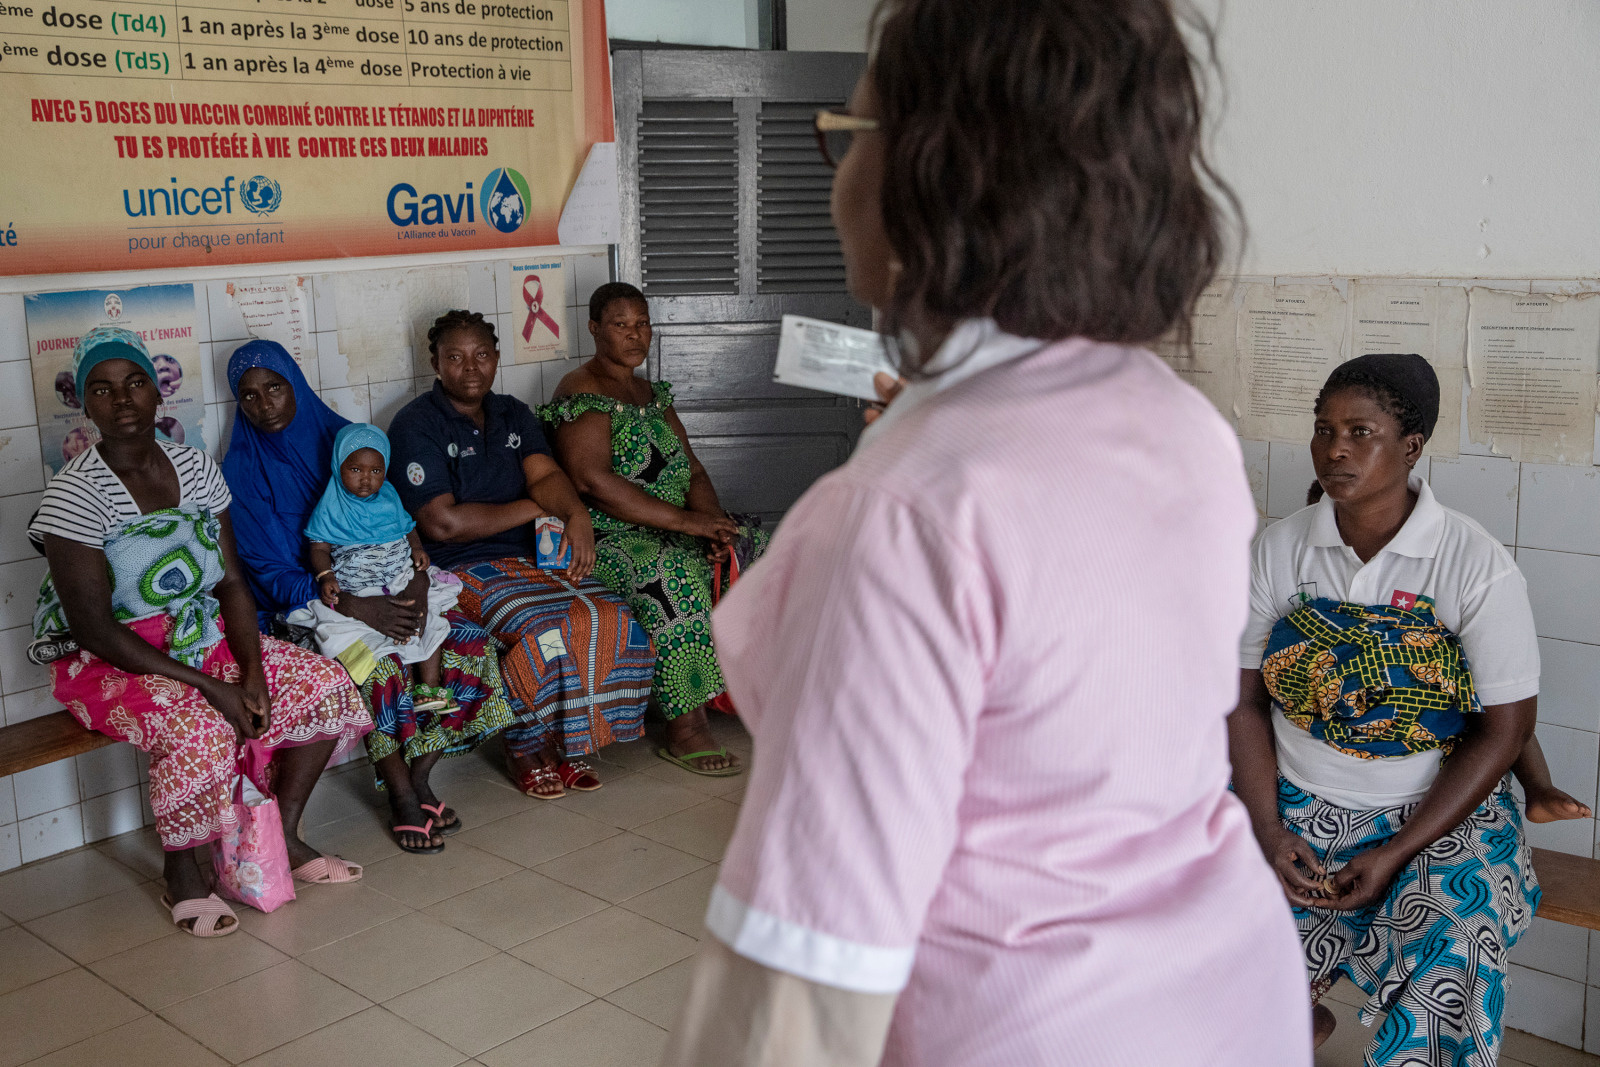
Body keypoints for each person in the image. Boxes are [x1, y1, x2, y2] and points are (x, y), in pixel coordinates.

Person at [661, 1, 1310, 1063]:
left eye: (849, 136)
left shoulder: (904, 513)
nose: (837, 183)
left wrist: (916, 455)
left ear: (937, 178)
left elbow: (801, 972)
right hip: (1225, 1003)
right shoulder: (1177, 423)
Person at [1230, 352, 1545, 1064]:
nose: (1335, 447)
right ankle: (1279, 1028)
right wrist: (1268, 826)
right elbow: (1242, 703)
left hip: (1434, 815)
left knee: (1455, 940)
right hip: (1293, 800)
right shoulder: (1280, 550)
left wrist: (1399, 848)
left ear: (1411, 445)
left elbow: (1505, 729)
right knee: (1204, 917)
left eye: (1360, 431)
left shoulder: (1471, 562)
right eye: (1323, 429)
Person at [31, 327, 373, 937]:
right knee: (199, 722)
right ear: (86, 404)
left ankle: (285, 833)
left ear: (158, 394)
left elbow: (232, 584)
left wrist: (252, 670)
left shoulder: (194, 468)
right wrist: (211, 687)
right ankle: (181, 872)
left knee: (324, 682)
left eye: (136, 383)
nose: (124, 400)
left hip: (198, 635)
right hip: (113, 661)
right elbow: (94, 628)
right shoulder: (73, 495)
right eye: (103, 390)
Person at [223, 340, 515, 853]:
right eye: (248, 396)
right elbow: (266, 572)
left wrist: (417, 586)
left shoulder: (347, 442)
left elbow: (400, 525)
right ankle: (402, 794)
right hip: (307, 609)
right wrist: (352, 604)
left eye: (274, 387)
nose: (264, 405)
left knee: (472, 645)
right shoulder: (242, 474)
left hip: (391, 587)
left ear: (296, 384)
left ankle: (422, 774)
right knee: (375, 671)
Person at [388, 310, 653, 799]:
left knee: (610, 616)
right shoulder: (416, 424)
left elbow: (548, 476)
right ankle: (525, 746)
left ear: (497, 358)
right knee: (545, 632)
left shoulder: (512, 412)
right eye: (456, 358)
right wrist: (538, 505)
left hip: (529, 557)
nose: (471, 368)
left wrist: (575, 515)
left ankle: (567, 740)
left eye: (482, 355)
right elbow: (443, 522)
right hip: (457, 570)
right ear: (435, 363)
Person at [542, 282, 765, 776]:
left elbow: (695, 472)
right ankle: (685, 728)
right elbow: (592, 481)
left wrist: (712, 528)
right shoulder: (581, 391)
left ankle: (762, 693)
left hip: (673, 523)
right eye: (620, 325)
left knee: (762, 551)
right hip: (612, 536)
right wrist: (688, 523)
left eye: (642, 323)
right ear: (595, 329)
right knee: (671, 575)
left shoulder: (651, 393)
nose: (634, 334)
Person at [1302, 478, 1589, 826]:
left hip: (1449, 689)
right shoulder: (1300, 556)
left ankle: (1539, 788)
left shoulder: (1453, 560)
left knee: (1502, 712)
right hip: (1345, 732)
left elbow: (1507, 721)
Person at [291, 423, 461, 717]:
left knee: (428, 620)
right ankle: (400, 689)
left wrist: (418, 550)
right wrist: (325, 576)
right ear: (339, 465)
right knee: (379, 630)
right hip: (360, 584)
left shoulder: (390, 497)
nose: (366, 480)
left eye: (375, 471)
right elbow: (319, 549)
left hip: (398, 574)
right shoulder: (331, 506)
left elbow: (407, 528)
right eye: (355, 470)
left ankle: (430, 690)